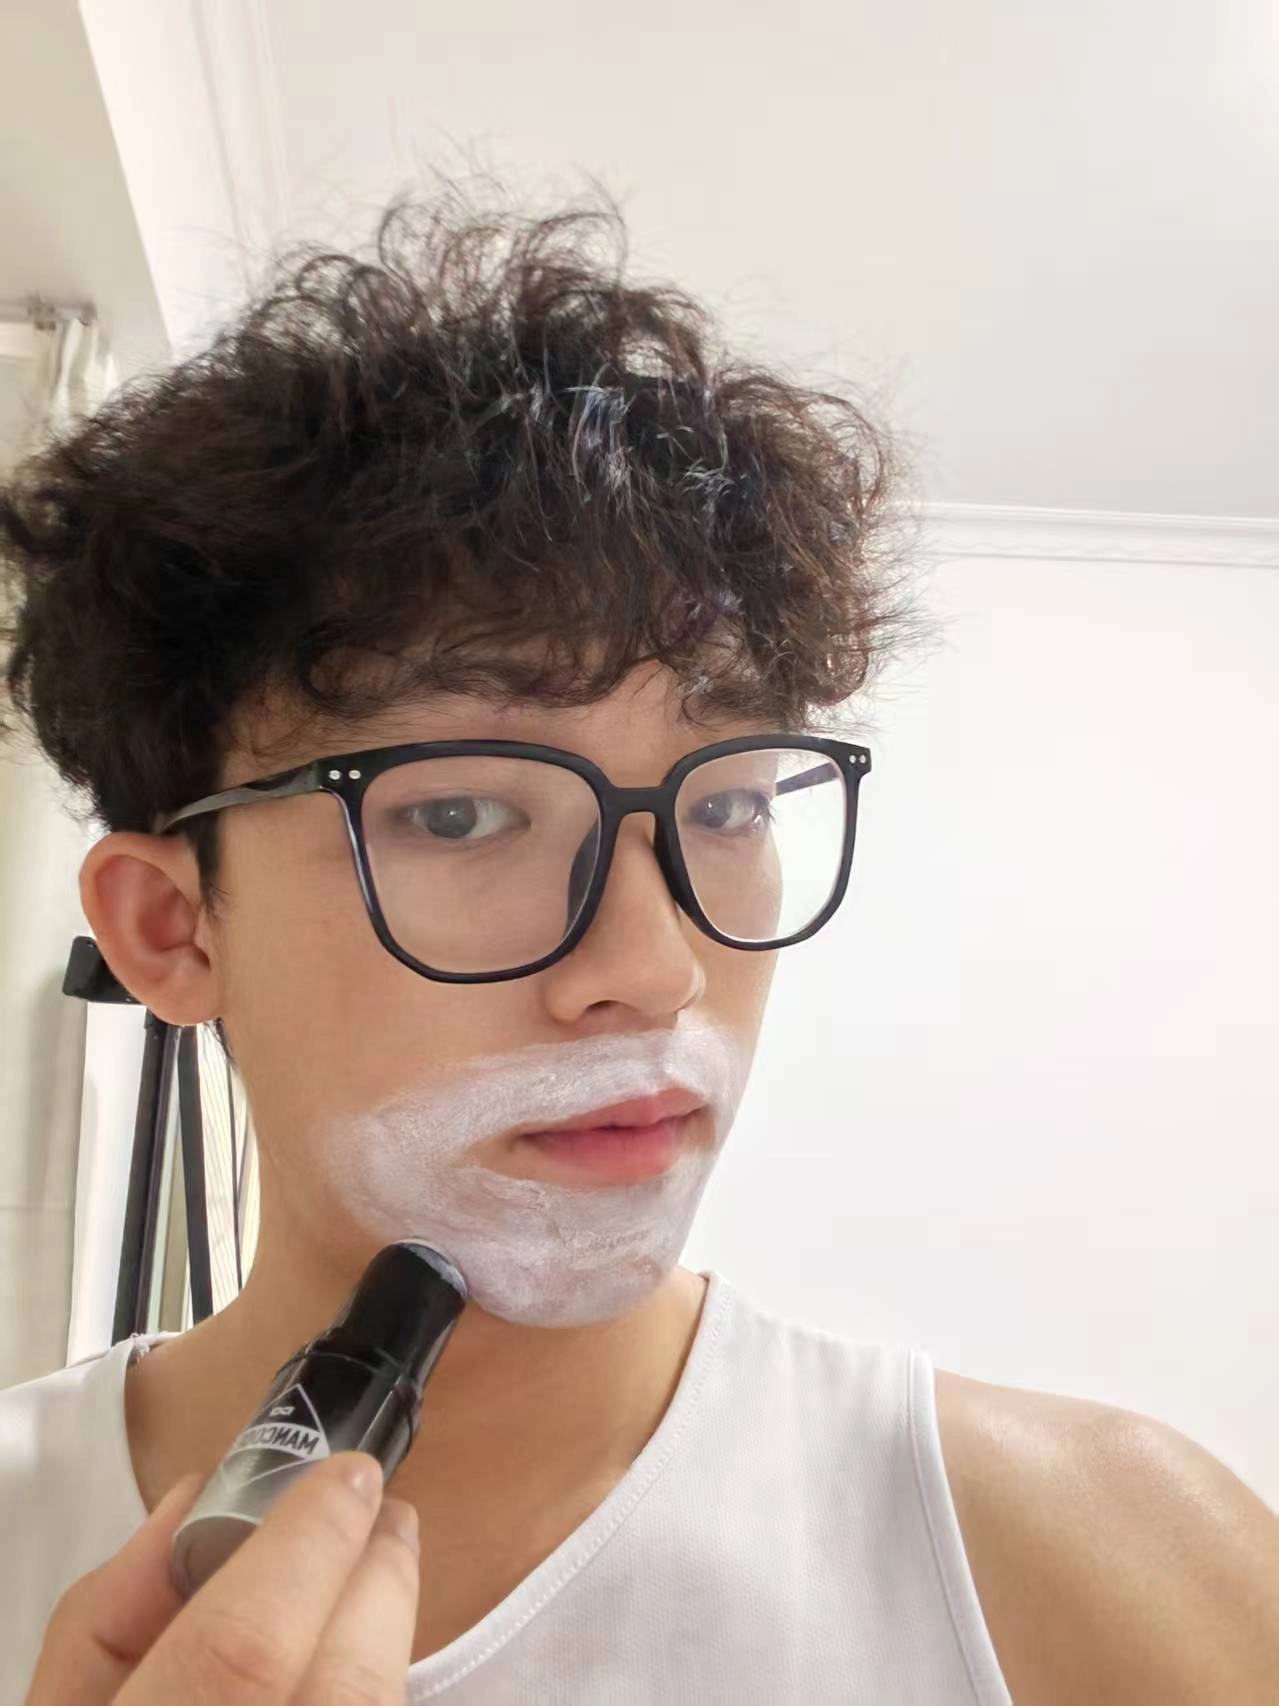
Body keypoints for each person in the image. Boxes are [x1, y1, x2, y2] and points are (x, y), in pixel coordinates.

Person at [1, 186, 1275, 1705]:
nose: (655, 971)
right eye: (464, 813)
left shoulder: (1112, 1563)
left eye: (725, 802)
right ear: (171, 929)